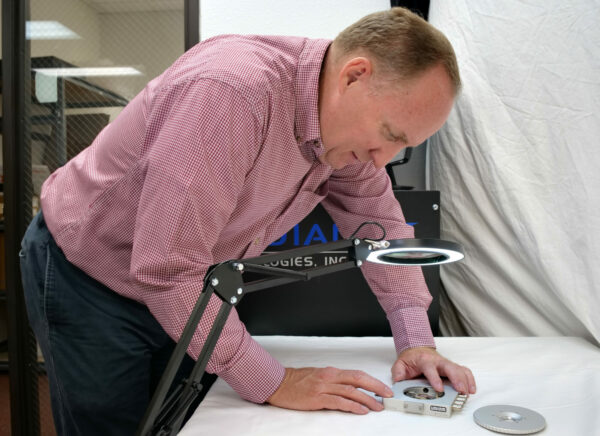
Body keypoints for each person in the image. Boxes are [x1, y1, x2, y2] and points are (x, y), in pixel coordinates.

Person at [20, 7, 476, 435]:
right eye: (389, 135)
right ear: (354, 76)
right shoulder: (229, 95)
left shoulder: (348, 139)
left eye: (404, 147)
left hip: (184, 288)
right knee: (113, 424)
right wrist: (274, 382)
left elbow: (379, 226)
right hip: (89, 274)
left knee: (179, 423)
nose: (383, 162)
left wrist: (416, 341)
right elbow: (166, 269)